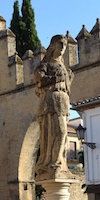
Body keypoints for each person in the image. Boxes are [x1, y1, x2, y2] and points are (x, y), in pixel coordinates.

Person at [33, 34, 74, 181]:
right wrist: (57, 78)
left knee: (64, 134)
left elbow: (66, 86)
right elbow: (39, 80)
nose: (63, 48)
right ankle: (52, 163)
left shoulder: (63, 66)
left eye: (64, 45)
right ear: (52, 46)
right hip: (50, 100)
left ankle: (60, 164)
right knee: (58, 132)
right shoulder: (45, 65)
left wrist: (69, 79)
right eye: (60, 44)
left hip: (63, 100)